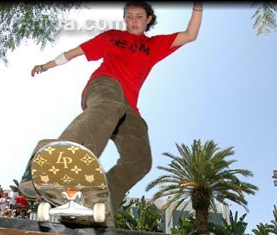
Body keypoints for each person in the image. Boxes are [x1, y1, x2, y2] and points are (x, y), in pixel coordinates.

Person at [21, 1, 203, 222]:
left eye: (138, 16)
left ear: (149, 19)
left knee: (140, 161)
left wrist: (198, 8)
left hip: (129, 108)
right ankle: (54, 159)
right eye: (129, 16)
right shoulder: (113, 37)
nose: (133, 20)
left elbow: (190, 35)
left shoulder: (155, 45)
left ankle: (94, 207)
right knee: (111, 105)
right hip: (103, 86)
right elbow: (75, 52)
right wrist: (46, 65)